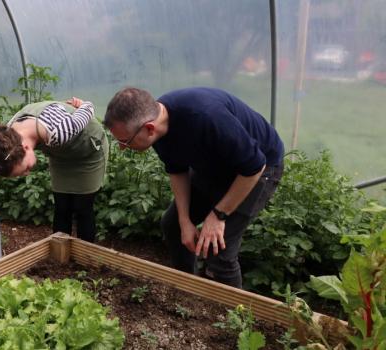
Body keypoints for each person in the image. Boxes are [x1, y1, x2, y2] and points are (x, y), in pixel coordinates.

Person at [104, 87, 284, 288]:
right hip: (214, 167)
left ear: (149, 128)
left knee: (219, 250)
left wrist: (218, 215)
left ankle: (236, 316)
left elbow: (254, 166)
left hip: (259, 169)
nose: (121, 147)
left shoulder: (207, 116)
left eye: (125, 141)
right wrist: (184, 221)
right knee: (172, 225)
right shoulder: (158, 127)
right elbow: (177, 171)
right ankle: (188, 290)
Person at [0, 98, 108, 242]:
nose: (27, 173)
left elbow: (89, 107)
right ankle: (60, 255)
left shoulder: (59, 131)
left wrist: (82, 105)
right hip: (61, 154)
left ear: (26, 147)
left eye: (26, 168)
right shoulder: (9, 134)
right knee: (61, 205)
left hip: (88, 150)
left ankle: (86, 256)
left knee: (83, 207)